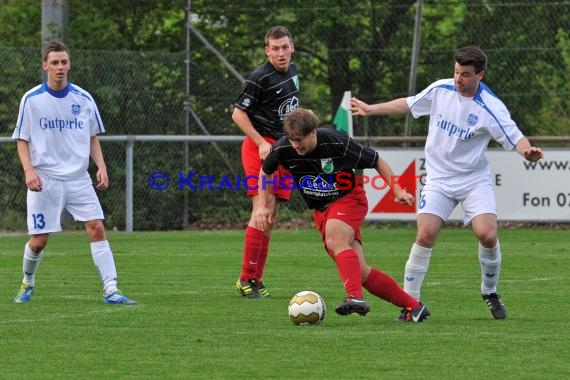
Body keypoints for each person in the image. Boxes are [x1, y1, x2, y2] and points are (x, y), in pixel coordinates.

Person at [351, 46, 544, 320]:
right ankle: (410, 305)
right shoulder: (441, 89)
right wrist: (371, 109)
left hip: (473, 180)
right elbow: (409, 103)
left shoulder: (491, 106)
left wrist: (526, 151)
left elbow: (514, 134)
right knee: (424, 235)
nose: (458, 79)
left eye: (465, 74)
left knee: (487, 234)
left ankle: (489, 291)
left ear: (480, 74)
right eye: (456, 72)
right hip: (439, 179)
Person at [254, 108, 430, 322]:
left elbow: (376, 160)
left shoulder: (336, 142)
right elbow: (265, 170)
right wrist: (262, 205)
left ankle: (354, 297)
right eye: (291, 140)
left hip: (349, 199)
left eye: (299, 140)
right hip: (322, 210)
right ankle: (414, 307)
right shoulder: (283, 147)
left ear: (313, 133)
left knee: (335, 238)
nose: (295, 145)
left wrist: (397, 190)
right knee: (360, 272)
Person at [12, 41, 136, 305]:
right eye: (54, 62)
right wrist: (28, 171)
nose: (60, 67)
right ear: (45, 65)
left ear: (69, 64)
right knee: (38, 242)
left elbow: (92, 136)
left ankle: (111, 289)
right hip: (45, 180)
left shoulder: (83, 98)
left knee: (96, 227)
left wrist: (101, 165)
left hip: (78, 178)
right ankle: (28, 282)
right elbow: (22, 139)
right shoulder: (32, 99)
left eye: (64, 62)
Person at [232, 26, 300, 299]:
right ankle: (246, 279)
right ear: (267, 51)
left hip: (284, 148)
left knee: (270, 217)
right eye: (275, 48)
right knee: (261, 208)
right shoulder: (259, 78)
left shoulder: (293, 72)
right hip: (260, 148)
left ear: (292, 47)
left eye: (285, 47)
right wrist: (261, 142)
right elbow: (238, 115)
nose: (281, 53)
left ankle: (255, 279)